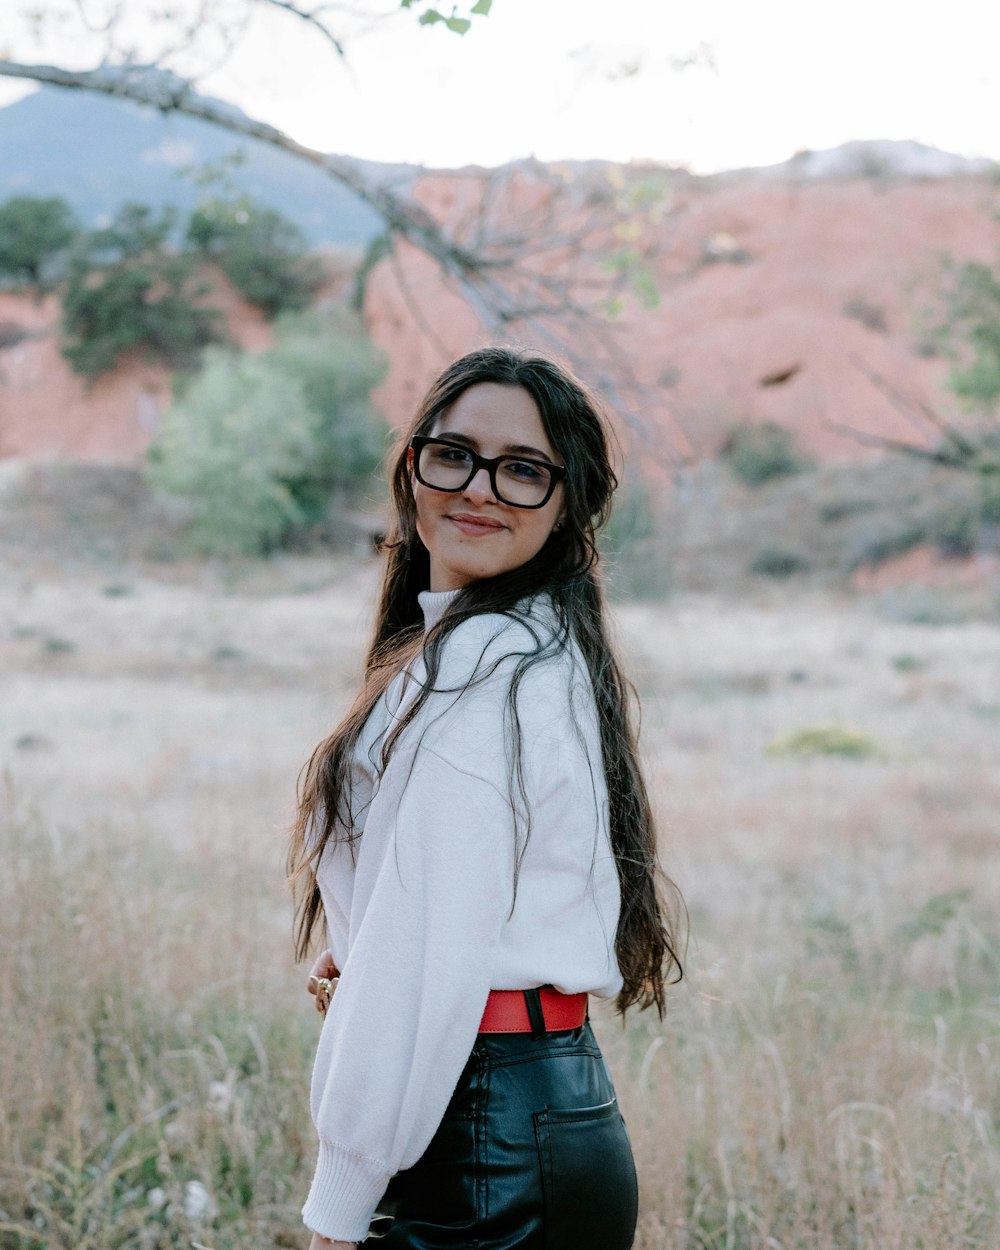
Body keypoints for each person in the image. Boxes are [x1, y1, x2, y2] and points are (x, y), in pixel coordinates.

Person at [287, 346, 683, 1250]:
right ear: (414, 463)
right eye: (454, 453)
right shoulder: (536, 647)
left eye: (524, 470)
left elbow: (424, 949)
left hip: (485, 1139)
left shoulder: (485, 667)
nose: (480, 488)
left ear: (569, 503)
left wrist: (340, 1205)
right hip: (546, 1112)